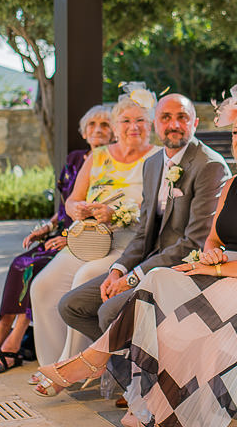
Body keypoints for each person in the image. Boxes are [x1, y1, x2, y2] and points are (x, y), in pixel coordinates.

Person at [31, 90, 237, 427]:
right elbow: (211, 236)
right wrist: (206, 257)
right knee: (150, 287)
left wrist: (215, 265)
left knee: (164, 318)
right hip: (214, 271)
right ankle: (145, 406)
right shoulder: (232, 184)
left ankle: (119, 386)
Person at [57, 93, 230, 348]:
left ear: (194, 123)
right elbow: (142, 233)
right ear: (156, 124)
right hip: (148, 261)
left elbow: (194, 243)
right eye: (166, 117)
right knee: (72, 305)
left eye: (182, 117)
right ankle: (133, 366)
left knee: (109, 312)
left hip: (180, 269)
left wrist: (131, 278)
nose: (174, 124)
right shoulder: (152, 164)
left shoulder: (209, 165)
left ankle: (137, 374)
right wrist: (117, 270)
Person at [0, 104, 114, 373]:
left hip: (84, 241)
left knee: (33, 269)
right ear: (84, 133)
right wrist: (46, 228)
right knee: (18, 263)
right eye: (92, 125)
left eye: (104, 125)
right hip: (59, 234)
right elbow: (63, 208)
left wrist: (70, 239)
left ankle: (12, 344)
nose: (97, 130)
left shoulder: (113, 164)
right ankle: (0, 337)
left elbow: (102, 215)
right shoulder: (74, 159)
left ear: (114, 131)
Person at [28, 88, 157, 368]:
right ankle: (50, 364)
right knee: (43, 286)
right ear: (115, 126)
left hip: (129, 243)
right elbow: (73, 199)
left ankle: (75, 364)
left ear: (151, 125)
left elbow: (158, 211)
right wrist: (77, 209)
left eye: (141, 121)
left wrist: (117, 214)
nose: (133, 127)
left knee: (84, 278)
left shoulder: (157, 158)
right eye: (125, 120)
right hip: (90, 239)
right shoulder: (97, 155)